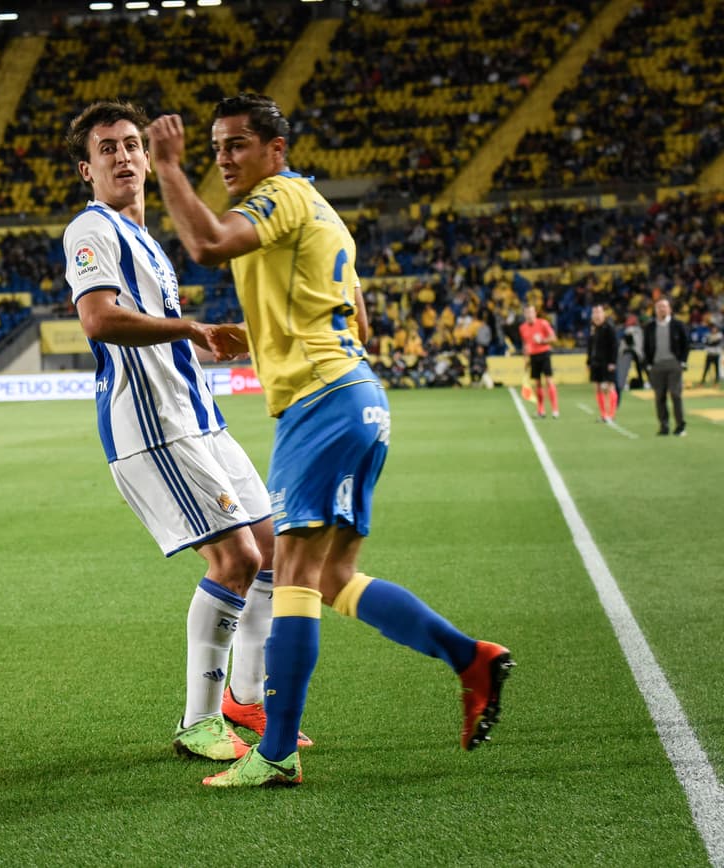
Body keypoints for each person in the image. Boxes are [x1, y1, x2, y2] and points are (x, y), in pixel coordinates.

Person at [148, 93, 512, 788]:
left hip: (321, 405)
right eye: (215, 147)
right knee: (333, 578)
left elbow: (205, 245)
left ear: (275, 151)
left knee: (288, 577)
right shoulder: (323, 213)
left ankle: (277, 754)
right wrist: (254, 337)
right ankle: (471, 658)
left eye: (237, 145)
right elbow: (356, 320)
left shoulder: (277, 197)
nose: (223, 158)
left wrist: (170, 166)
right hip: (357, 398)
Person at [62, 100, 309, 763]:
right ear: (87, 168)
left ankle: (245, 698)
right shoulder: (91, 229)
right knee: (235, 561)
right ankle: (198, 721)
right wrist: (188, 328)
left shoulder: (145, 240)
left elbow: (152, 331)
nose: (124, 155)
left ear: (148, 157)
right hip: (154, 425)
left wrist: (199, 343)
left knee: (273, 555)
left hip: (200, 420)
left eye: (133, 144)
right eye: (108, 148)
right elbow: (99, 319)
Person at [642, 297, 690, 436]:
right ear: (655, 310)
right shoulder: (650, 327)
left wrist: (682, 361)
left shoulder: (678, 325)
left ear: (669, 309)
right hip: (657, 366)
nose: (661, 309)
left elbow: (686, 345)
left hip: (674, 364)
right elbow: (646, 347)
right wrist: (649, 364)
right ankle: (664, 426)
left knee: (676, 394)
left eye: (664, 306)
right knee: (659, 397)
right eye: (659, 307)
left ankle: (680, 426)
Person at [519, 304, 558, 418]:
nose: (529, 315)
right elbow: (525, 344)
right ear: (525, 314)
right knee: (537, 383)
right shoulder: (522, 327)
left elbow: (553, 338)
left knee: (549, 381)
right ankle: (541, 410)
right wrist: (525, 358)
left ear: (535, 313)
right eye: (527, 313)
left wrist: (543, 340)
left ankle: (555, 409)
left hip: (544, 353)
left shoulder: (543, 323)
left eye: (531, 312)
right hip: (533, 356)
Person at [586, 305, 619, 423]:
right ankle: (603, 414)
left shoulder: (609, 327)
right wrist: (589, 362)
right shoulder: (592, 328)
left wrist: (613, 362)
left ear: (603, 314)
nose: (596, 315)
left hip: (607, 363)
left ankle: (612, 414)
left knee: (609, 387)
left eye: (599, 312)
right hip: (596, 363)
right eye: (594, 313)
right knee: (598, 388)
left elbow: (614, 346)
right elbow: (590, 347)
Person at [701, 322, 722, 386]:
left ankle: (716, 382)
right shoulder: (708, 334)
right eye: (713, 328)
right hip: (709, 354)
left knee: (716, 369)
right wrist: (711, 342)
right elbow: (706, 343)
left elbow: (716, 343)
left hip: (716, 354)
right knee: (706, 368)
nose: (713, 330)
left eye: (715, 328)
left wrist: (711, 342)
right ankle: (702, 381)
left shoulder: (719, 335)